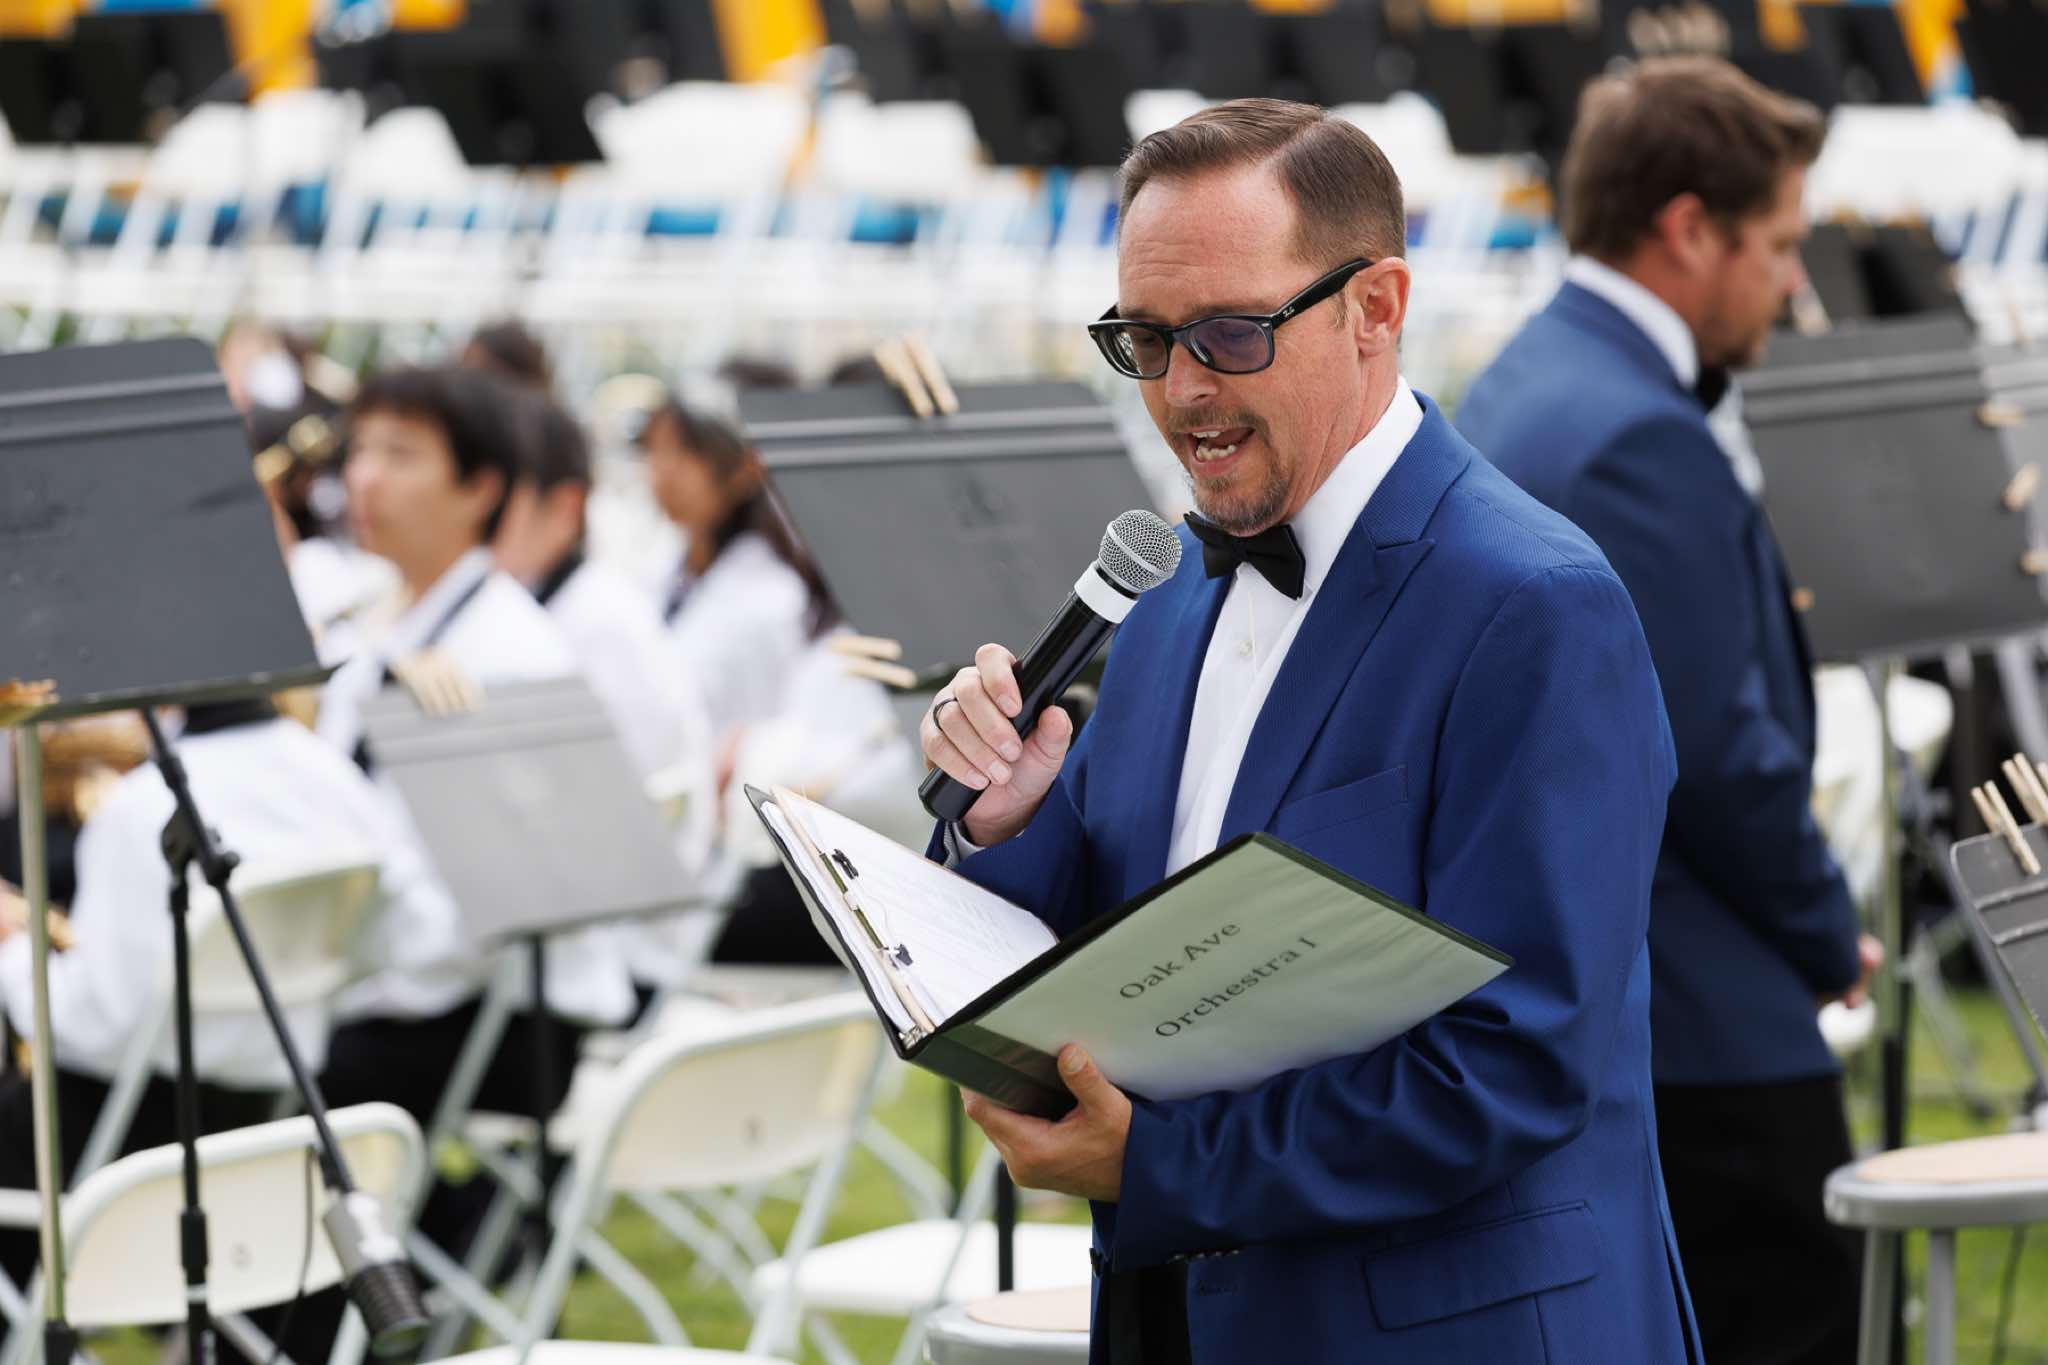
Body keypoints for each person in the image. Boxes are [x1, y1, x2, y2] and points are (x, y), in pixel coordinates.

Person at [923, 98, 1698, 1363]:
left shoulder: (1536, 605)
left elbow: (1515, 1063)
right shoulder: (1166, 592)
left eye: (1229, 335)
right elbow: (1128, 938)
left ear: (1374, 308)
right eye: (1144, 339)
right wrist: (1010, 825)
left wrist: (1162, 1162)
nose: (1181, 390)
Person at [1456, 56, 1878, 1365]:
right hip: (1701, 1022)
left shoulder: (1528, 376)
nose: (1792, 284)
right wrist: (1827, 932)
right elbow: (1716, 756)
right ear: (1690, 228)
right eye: (1779, 245)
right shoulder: (1634, 431)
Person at [0, 698, 429, 1285]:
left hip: (122, 1151)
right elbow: (394, 941)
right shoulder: (334, 778)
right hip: (264, 1130)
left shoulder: (142, 806)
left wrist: (15, 949)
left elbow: (96, 1026)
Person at [313, 366, 635, 1119]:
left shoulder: (509, 652)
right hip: (413, 980)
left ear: (481, 488)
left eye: (400, 454)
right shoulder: (380, 619)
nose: (363, 477)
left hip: (493, 1014)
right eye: (360, 450)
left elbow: (468, 929)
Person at [493, 391, 722, 996]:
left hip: (606, 960)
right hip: (605, 938)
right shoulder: (576, 608)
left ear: (565, 506)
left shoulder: (587, 627)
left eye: (496, 498)